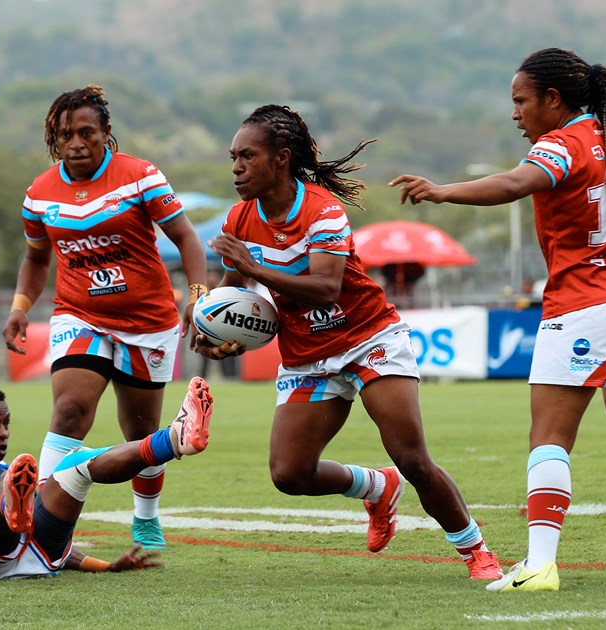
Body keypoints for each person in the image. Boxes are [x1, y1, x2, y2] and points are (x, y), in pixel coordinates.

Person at [391, 47, 606, 591]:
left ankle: (539, 564)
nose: (515, 113)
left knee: (548, 437)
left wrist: (443, 191)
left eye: (521, 101)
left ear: (553, 100)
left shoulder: (564, 143)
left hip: (586, 305)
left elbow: (512, 184)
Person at [197, 103, 503, 580]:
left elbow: (327, 286)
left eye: (247, 156)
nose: (236, 167)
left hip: (368, 337)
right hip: (306, 355)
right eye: (232, 157)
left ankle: (475, 549)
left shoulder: (322, 209)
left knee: (411, 457)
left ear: (281, 157)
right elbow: (234, 292)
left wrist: (256, 268)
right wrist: (217, 330)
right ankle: (377, 488)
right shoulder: (239, 218)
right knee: (289, 474)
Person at [1, 84, 208, 550]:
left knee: (139, 436)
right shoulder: (39, 193)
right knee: (70, 410)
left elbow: (187, 239)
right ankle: (37, 514)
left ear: (105, 133)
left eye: (85, 133)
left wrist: (198, 295)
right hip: (79, 314)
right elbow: (37, 258)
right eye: (64, 135)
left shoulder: (141, 176)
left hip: (148, 322)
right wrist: (19, 307)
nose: (75, 144)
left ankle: (146, 518)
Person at [0, 378, 213, 579]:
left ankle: (176, 439)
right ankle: (9, 507)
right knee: (5, 482)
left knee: (76, 463)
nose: (3, 432)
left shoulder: (7, 472)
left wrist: (107, 567)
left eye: (6, 424)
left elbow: (68, 553)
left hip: (36, 559)